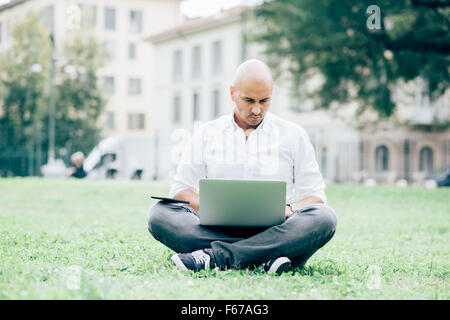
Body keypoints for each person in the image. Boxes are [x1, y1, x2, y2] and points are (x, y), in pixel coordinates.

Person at [147, 59, 337, 275]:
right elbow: (180, 190)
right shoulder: (206, 133)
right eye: (249, 100)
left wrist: (289, 210)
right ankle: (266, 257)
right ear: (232, 93)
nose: (257, 109)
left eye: (264, 101)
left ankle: (216, 256)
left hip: (277, 229)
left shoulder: (294, 135)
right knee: (159, 215)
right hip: (218, 229)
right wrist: (212, 207)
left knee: (325, 218)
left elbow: (316, 197)